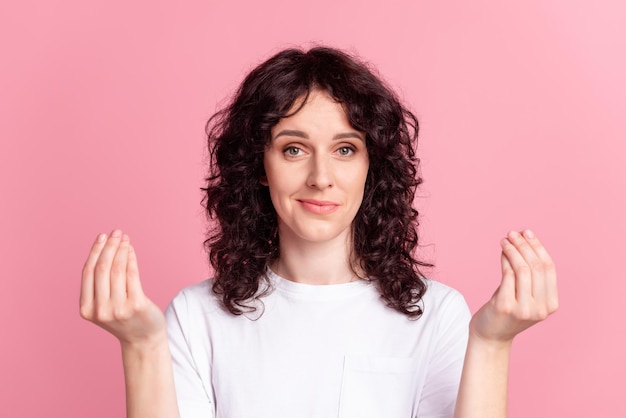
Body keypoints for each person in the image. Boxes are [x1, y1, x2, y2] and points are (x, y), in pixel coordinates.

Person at [79, 47, 558, 418]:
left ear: (372, 166)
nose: (320, 176)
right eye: (293, 149)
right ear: (260, 166)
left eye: (345, 149)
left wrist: (494, 343)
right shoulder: (195, 316)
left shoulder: (437, 314)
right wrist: (140, 346)